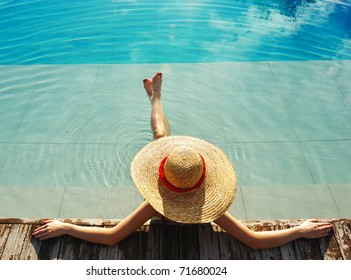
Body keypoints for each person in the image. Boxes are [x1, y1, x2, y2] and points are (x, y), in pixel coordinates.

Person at [32, 72, 333, 250]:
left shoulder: (158, 204)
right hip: (181, 179)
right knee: (160, 134)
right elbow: (253, 241)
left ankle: (156, 99)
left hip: (173, 185)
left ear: (160, 179)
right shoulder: (208, 206)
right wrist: (299, 230)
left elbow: (113, 238)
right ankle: (156, 99)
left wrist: (67, 226)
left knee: (160, 134)